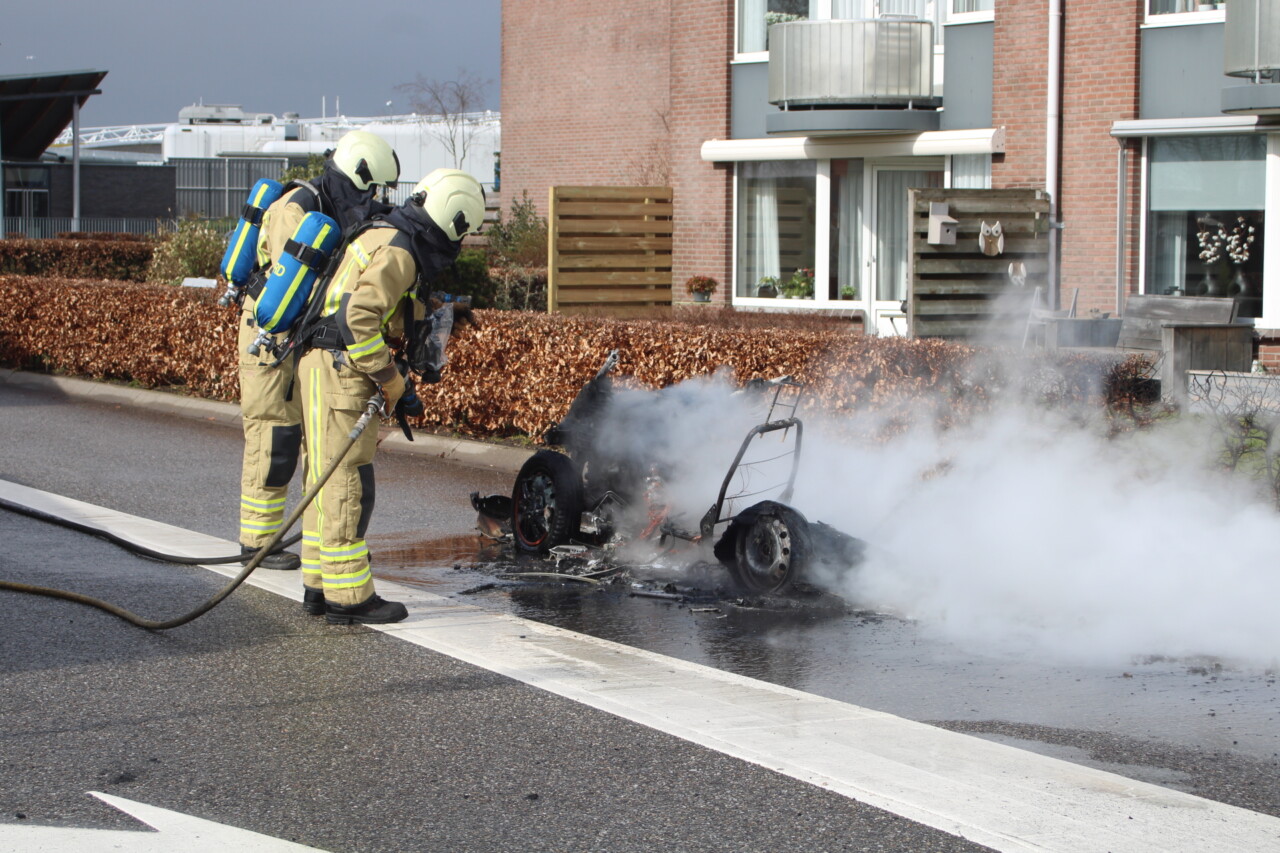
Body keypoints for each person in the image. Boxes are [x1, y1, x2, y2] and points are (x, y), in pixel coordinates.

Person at [297, 168, 485, 624]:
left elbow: (364, 307)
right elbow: (359, 318)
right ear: (453, 220)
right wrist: (395, 383)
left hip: (324, 367)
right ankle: (350, 598)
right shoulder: (401, 252)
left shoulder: (383, 233)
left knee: (324, 479)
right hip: (341, 371)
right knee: (346, 483)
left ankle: (319, 586)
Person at [236, 130, 400, 570]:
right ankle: (256, 542)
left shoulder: (334, 207)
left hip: (301, 337)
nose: (372, 201)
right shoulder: (296, 208)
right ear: (355, 177)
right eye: (371, 191)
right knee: (276, 437)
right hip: (269, 334)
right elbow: (291, 285)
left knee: (314, 447)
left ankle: (314, 549)